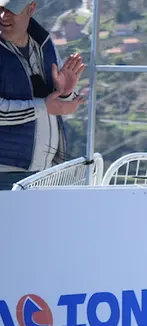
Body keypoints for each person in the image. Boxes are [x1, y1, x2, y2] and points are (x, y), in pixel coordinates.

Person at [0, 0, 85, 190]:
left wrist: (65, 92)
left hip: (44, 172)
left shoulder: (45, 44)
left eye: (11, 10)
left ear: (31, 8)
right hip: (5, 173)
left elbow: (56, 105)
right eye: (0, 9)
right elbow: (46, 106)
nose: (3, 16)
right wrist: (43, 107)